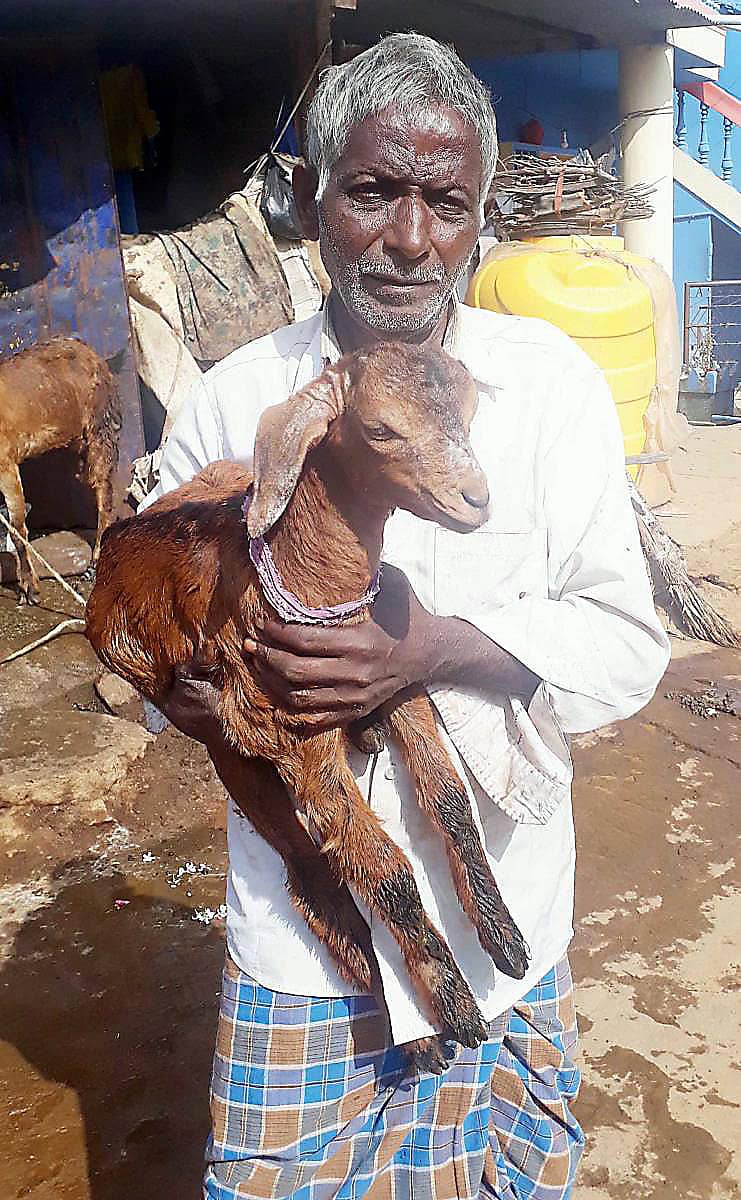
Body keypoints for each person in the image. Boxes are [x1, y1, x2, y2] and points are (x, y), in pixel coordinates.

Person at [143, 33, 670, 1200]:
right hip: (307, 943)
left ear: (481, 218)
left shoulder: (548, 390)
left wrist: (430, 651)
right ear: (312, 199)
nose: (411, 240)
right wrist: (200, 697)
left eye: (447, 202)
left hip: (506, 924)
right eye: (374, 192)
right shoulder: (238, 405)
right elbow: (164, 645)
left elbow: (628, 645)